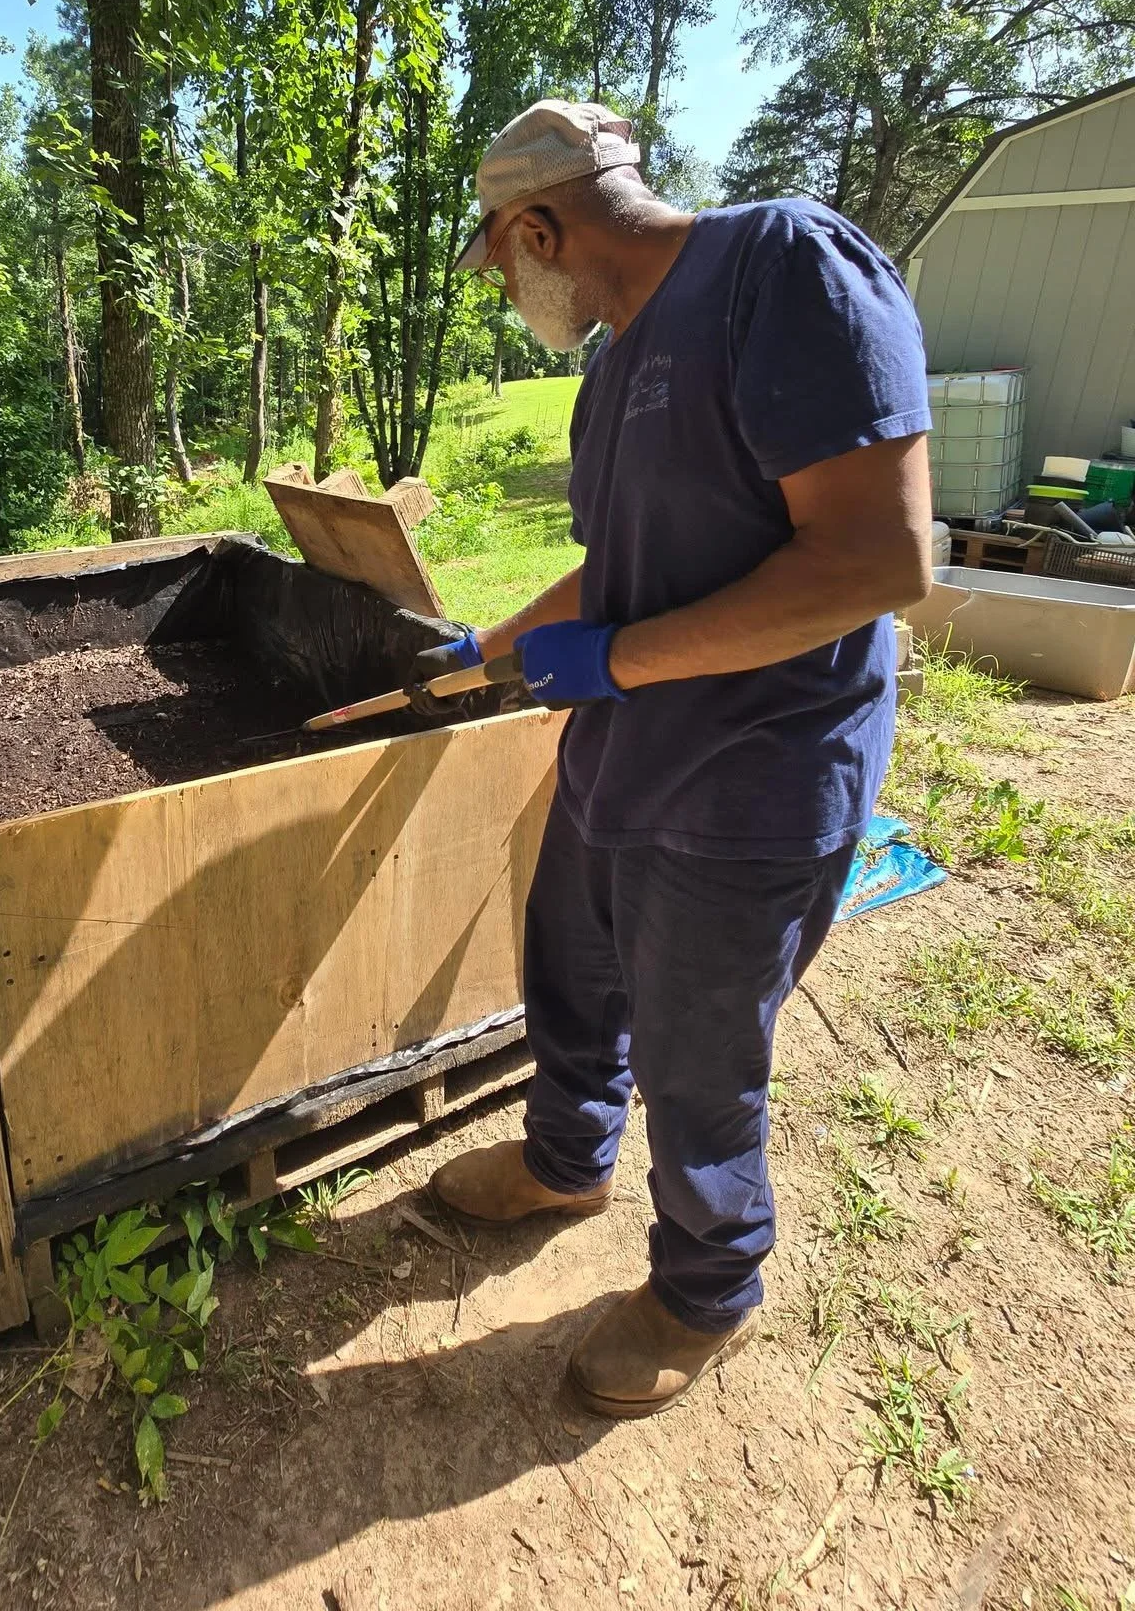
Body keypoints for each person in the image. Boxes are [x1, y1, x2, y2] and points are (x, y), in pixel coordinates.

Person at [414, 99, 933, 1420]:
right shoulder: (612, 372)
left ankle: (708, 1290)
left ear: (542, 226)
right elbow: (618, 569)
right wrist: (489, 647)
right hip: (624, 755)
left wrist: (616, 664)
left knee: (703, 1056)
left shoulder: (787, 268)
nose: (512, 291)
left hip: (756, 777)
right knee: (573, 972)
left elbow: (877, 560)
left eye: (507, 263)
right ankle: (566, 1160)